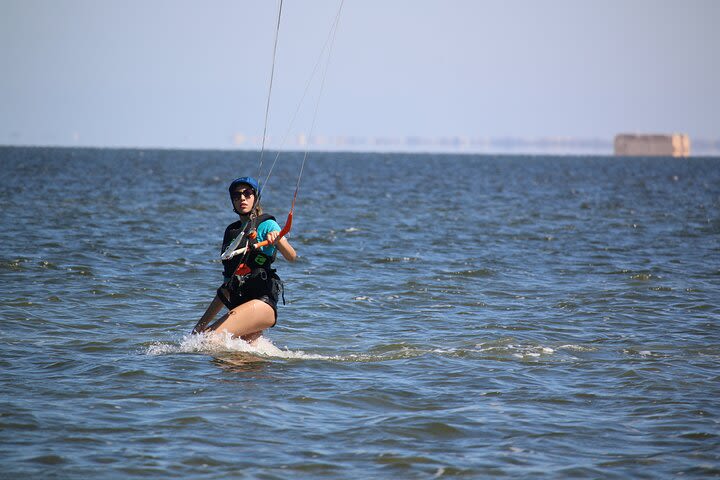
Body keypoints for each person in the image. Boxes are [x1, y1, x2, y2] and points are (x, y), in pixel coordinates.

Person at [192, 176, 296, 341]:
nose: (242, 198)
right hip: (240, 306)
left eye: (247, 193)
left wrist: (278, 241)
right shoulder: (232, 233)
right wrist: (198, 327)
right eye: (236, 195)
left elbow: (292, 256)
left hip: (262, 304)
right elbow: (227, 287)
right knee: (234, 362)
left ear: (256, 197)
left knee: (208, 340)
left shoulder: (268, 225)